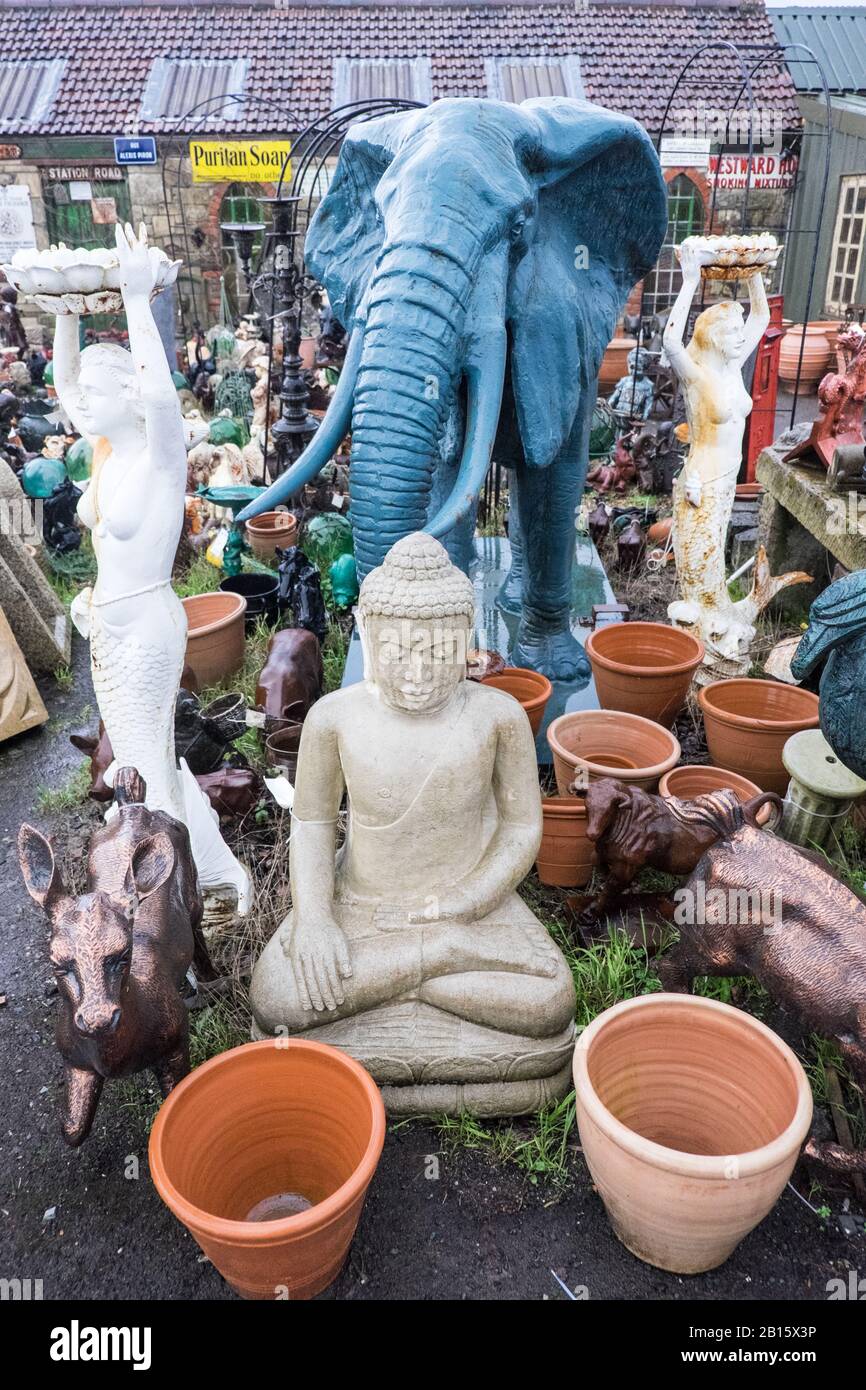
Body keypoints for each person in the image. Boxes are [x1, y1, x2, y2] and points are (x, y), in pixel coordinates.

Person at [251, 532, 575, 1116]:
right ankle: (439, 960)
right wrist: (317, 919)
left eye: (438, 650)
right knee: (276, 995)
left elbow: (523, 829)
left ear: (468, 642)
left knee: (550, 1000)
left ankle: (412, 977)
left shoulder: (497, 716)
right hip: (363, 907)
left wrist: (468, 902)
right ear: (369, 636)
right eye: (399, 652)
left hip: (471, 909)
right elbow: (315, 822)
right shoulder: (335, 718)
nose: (419, 671)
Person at [51, 223, 248, 911]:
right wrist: (66, 319)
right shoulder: (108, 449)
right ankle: (189, 871)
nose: (83, 401)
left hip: (146, 630)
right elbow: (64, 389)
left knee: (148, 770)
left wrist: (138, 303)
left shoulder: (159, 457)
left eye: (98, 390)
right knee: (141, 763)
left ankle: (173, 903)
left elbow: (163, 399)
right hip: (108, 629)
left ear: (128, 396)